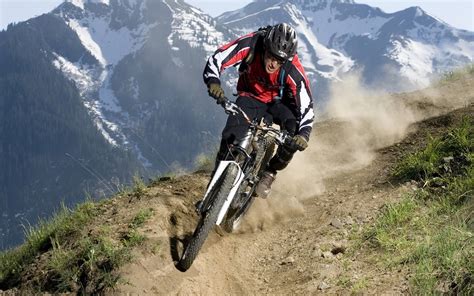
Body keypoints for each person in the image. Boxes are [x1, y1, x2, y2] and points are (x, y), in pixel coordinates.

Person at [203, 23, 314, 198]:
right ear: (265, 47)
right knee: (230, 137)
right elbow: (217, 58)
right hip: (251, 96)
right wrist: (214, 82)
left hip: (280, 104)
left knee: (292, 134)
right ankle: (215, 186)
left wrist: (304, 134)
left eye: (280, 60)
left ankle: (270, 172)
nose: (273, 63)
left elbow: (307, 105)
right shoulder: (252, 43)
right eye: (271, 56)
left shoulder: (293, 69)